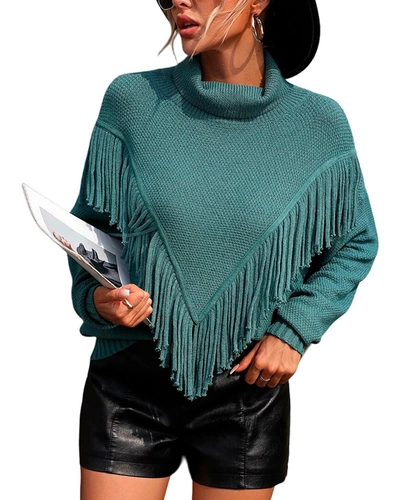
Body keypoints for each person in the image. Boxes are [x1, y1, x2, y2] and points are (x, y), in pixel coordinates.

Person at [68, 1, 378, 499]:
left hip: (246, 388)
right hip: (129, 377)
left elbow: (355, 241)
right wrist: (98, 298)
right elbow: (94, 226)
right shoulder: (133, 101)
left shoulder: (319, 124)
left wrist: (294, 330)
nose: (178, 1)